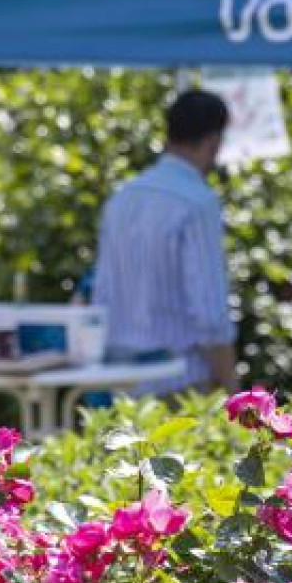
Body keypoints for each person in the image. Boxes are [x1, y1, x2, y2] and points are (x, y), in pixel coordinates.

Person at [93, 89, 238, 394]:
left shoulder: (122, 199)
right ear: (213, 142)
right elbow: (210, 317)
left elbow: (101, 297)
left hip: (119, 386)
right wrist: (234, 390)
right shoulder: (198, 203)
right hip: (180, 385)